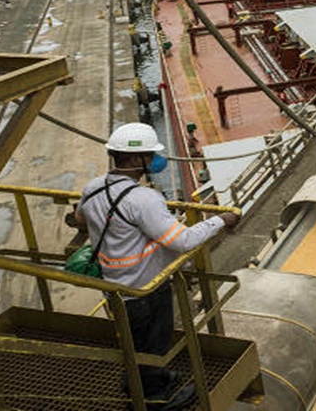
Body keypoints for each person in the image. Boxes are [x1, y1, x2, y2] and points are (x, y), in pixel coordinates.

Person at [74, 122, 240, 409]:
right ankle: (154, 398)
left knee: (134, 341)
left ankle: (138, 380)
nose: (155, 160)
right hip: (145, 288)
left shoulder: (92, 188)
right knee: (154, 344)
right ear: (137, 159)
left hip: (114, 285)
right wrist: (220, 221)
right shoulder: (144, 199)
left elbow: (80, 219)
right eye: (150, 155)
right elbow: (184, 241)